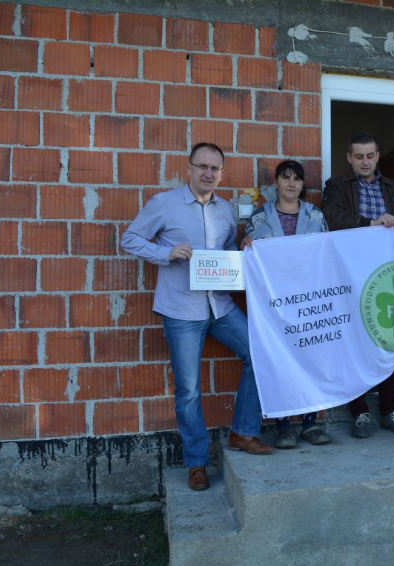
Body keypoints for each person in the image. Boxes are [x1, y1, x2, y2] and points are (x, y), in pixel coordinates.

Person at [121, 142, 272, 492]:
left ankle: (243, 433)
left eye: (214, 168)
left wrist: (242, 251)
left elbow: (224, 255)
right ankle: (197, 462)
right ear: (188, 168)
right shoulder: (164, 203)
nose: (208, 173)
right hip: (182, 310)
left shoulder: (224, 210)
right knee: (188, 390)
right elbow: (130, 239)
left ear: (221, 173)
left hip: (219, 305)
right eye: (201, 166)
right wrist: (165, 252)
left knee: (260, 355)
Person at [321, 131, 394, 438]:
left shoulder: (393, 188)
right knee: (354, 341)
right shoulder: (336, 185)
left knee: (389, 339)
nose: (365, 161)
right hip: (350, 273)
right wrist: (369, 223)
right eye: (358, 156)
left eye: (370, 155)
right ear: (349, 158)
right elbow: (332, 217)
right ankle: (359, 413)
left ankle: (390, 410)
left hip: (387, 274)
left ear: (377, 156)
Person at [241, 160, 332, 449]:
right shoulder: (259, 218)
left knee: (311, 358)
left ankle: (310, 423)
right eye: (286, 178)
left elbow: (328, 254)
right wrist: (244, 245)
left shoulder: (316, 217)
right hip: (275, 304)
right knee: (279, 360)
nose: (291, 184)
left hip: (309, 300)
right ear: (276, 183)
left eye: (297, 179)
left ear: (303, 185)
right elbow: (247, 258)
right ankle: (283, 426)